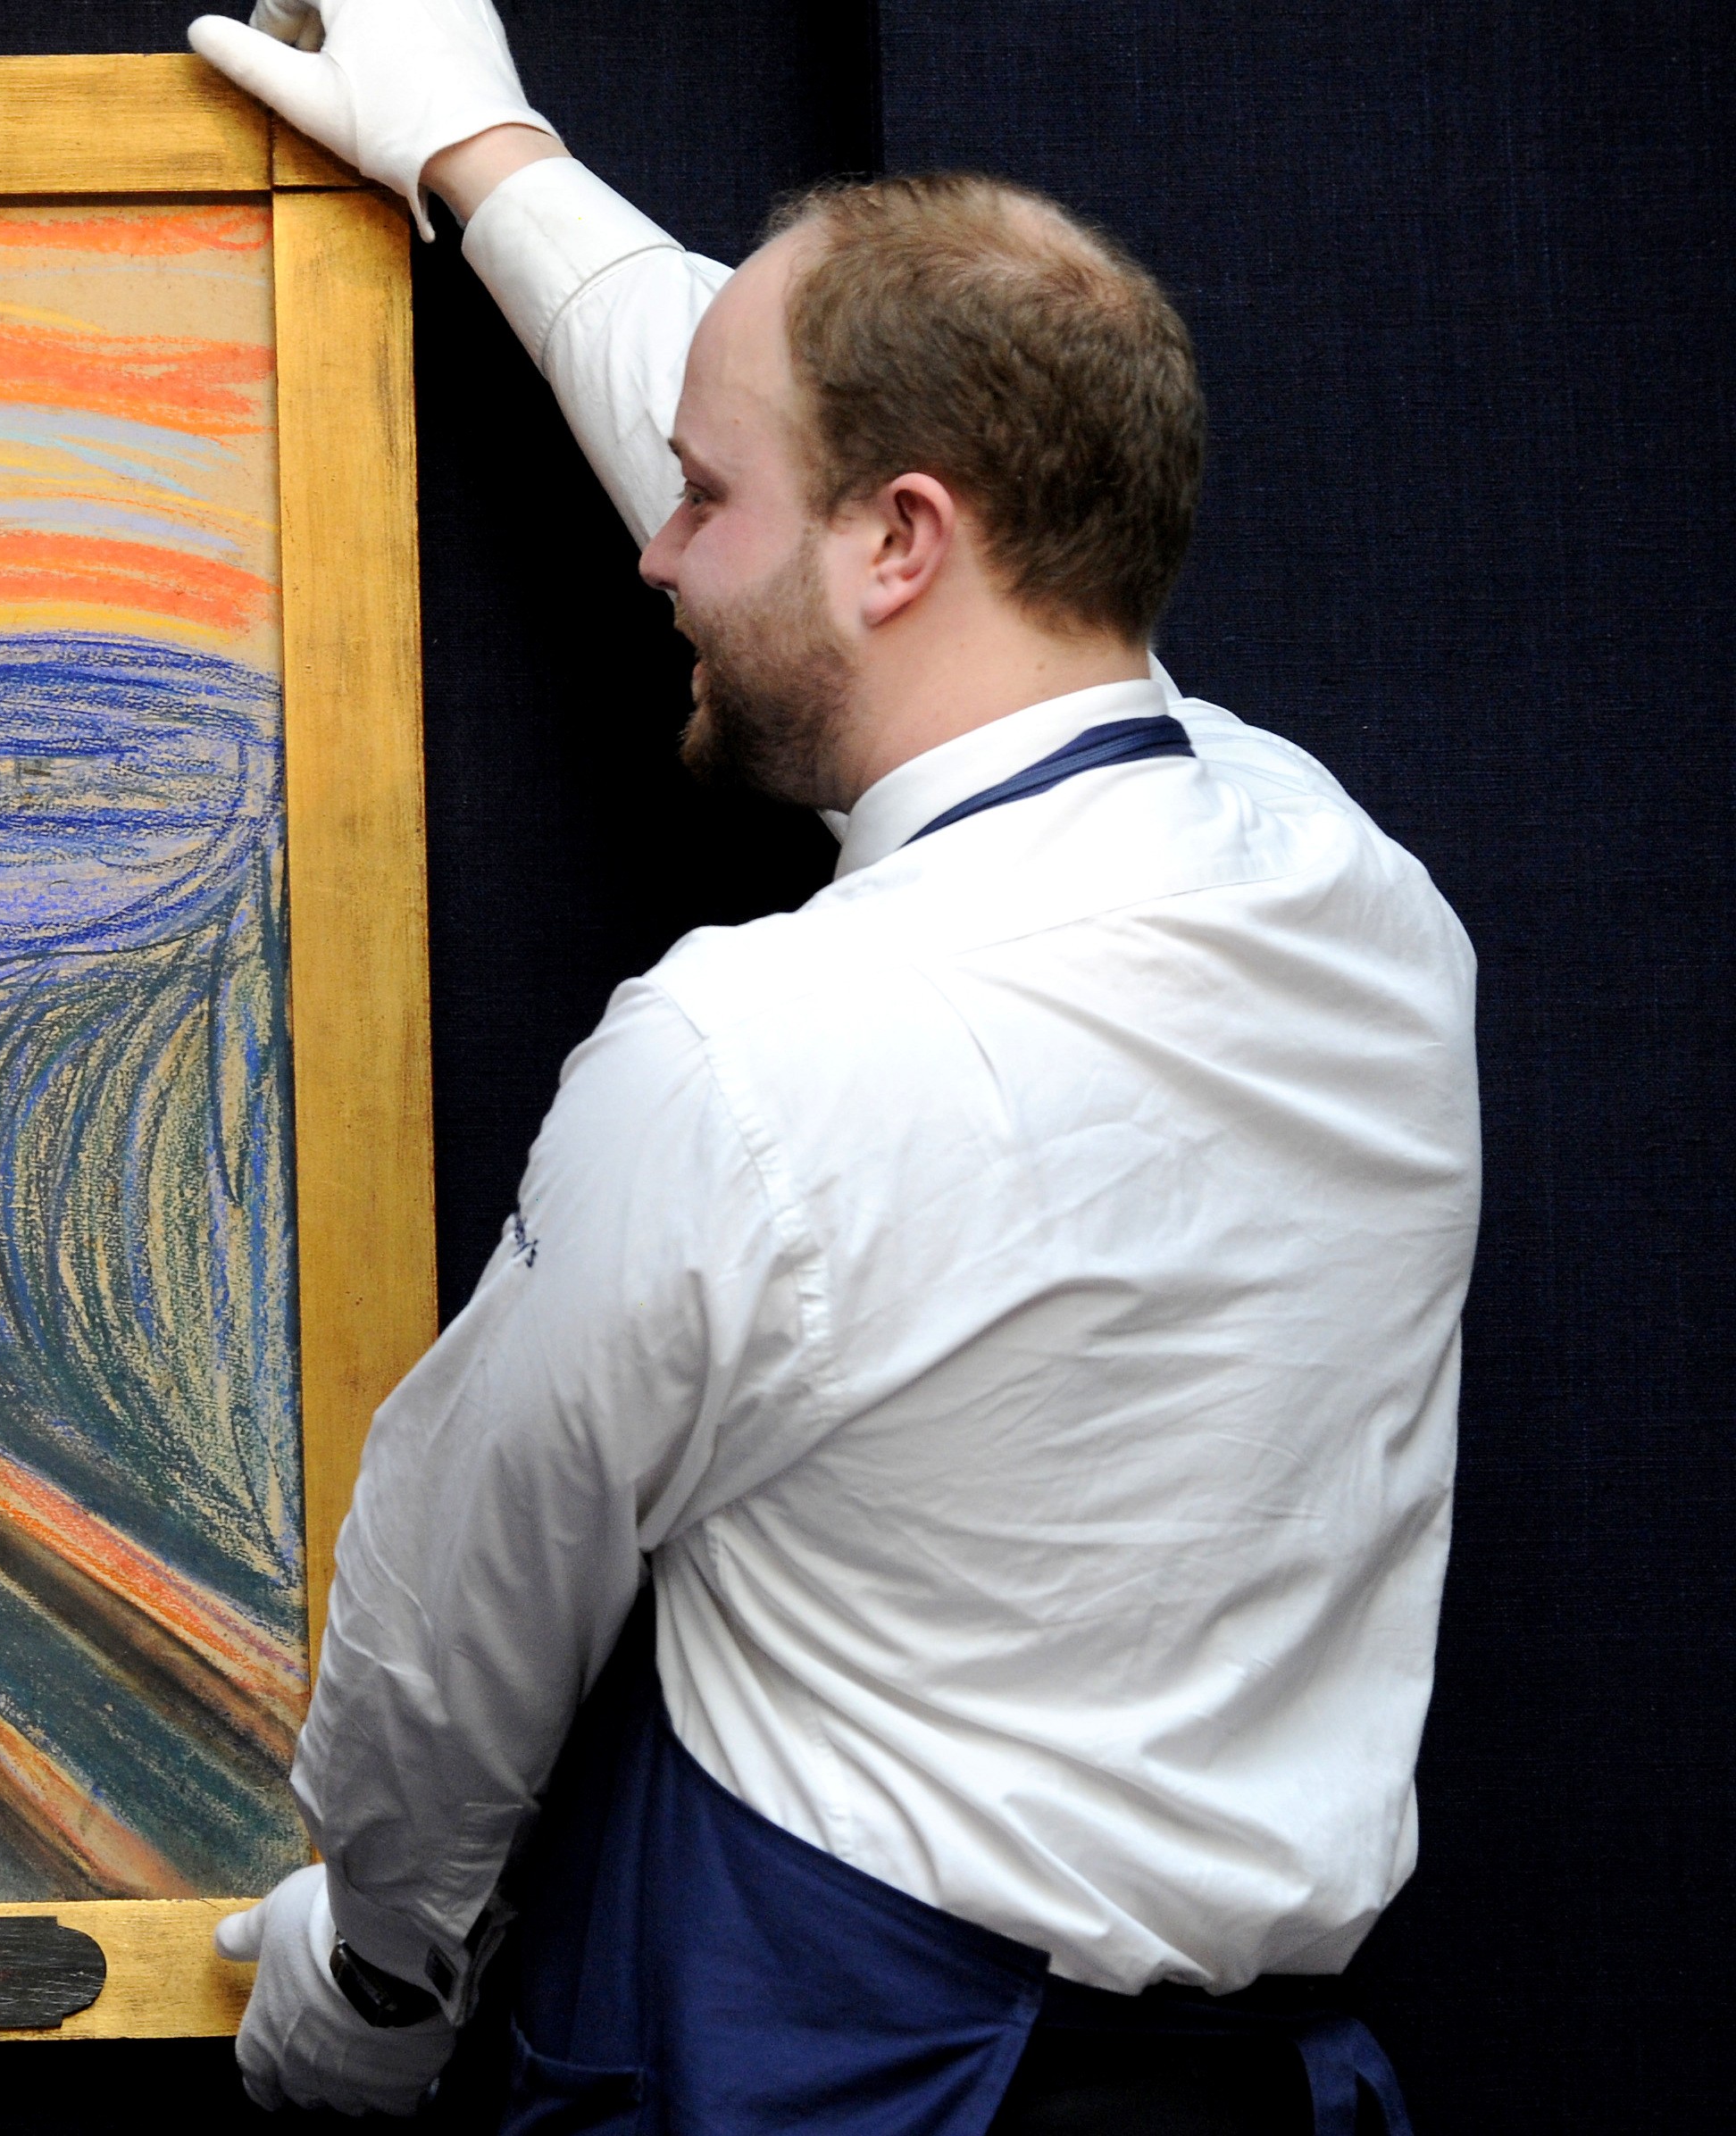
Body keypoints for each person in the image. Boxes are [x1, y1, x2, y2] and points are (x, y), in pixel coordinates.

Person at [187, 3, 1477, 2128]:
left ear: (899, 543)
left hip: (814, 2066)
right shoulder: (1365, 902)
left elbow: (459, 1594)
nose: (657, 549)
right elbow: (875, 483)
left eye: (705, 499)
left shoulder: (744, 1057)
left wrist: (384, 1961)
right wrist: (486, 159)